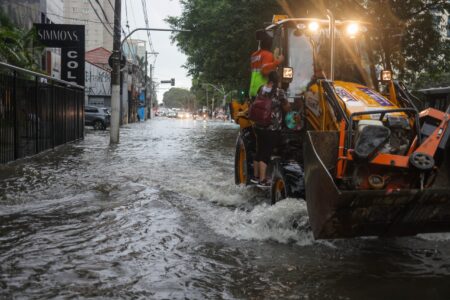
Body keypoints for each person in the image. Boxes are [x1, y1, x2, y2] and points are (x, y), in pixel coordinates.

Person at [251, 71, 288, 188]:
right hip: (271, 127)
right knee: (266, 153)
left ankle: (256, 177)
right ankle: (263, 180)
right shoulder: (279, 92)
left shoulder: (261, 88)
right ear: (278, 80)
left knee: (260, 150)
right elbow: (286, 107)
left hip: (258, 125)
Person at [249, 30, 284, 99]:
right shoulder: (268, 55)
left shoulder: (254, 55)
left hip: (253, 90)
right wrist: (278, 61)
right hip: (262, 91)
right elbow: (264, 70)